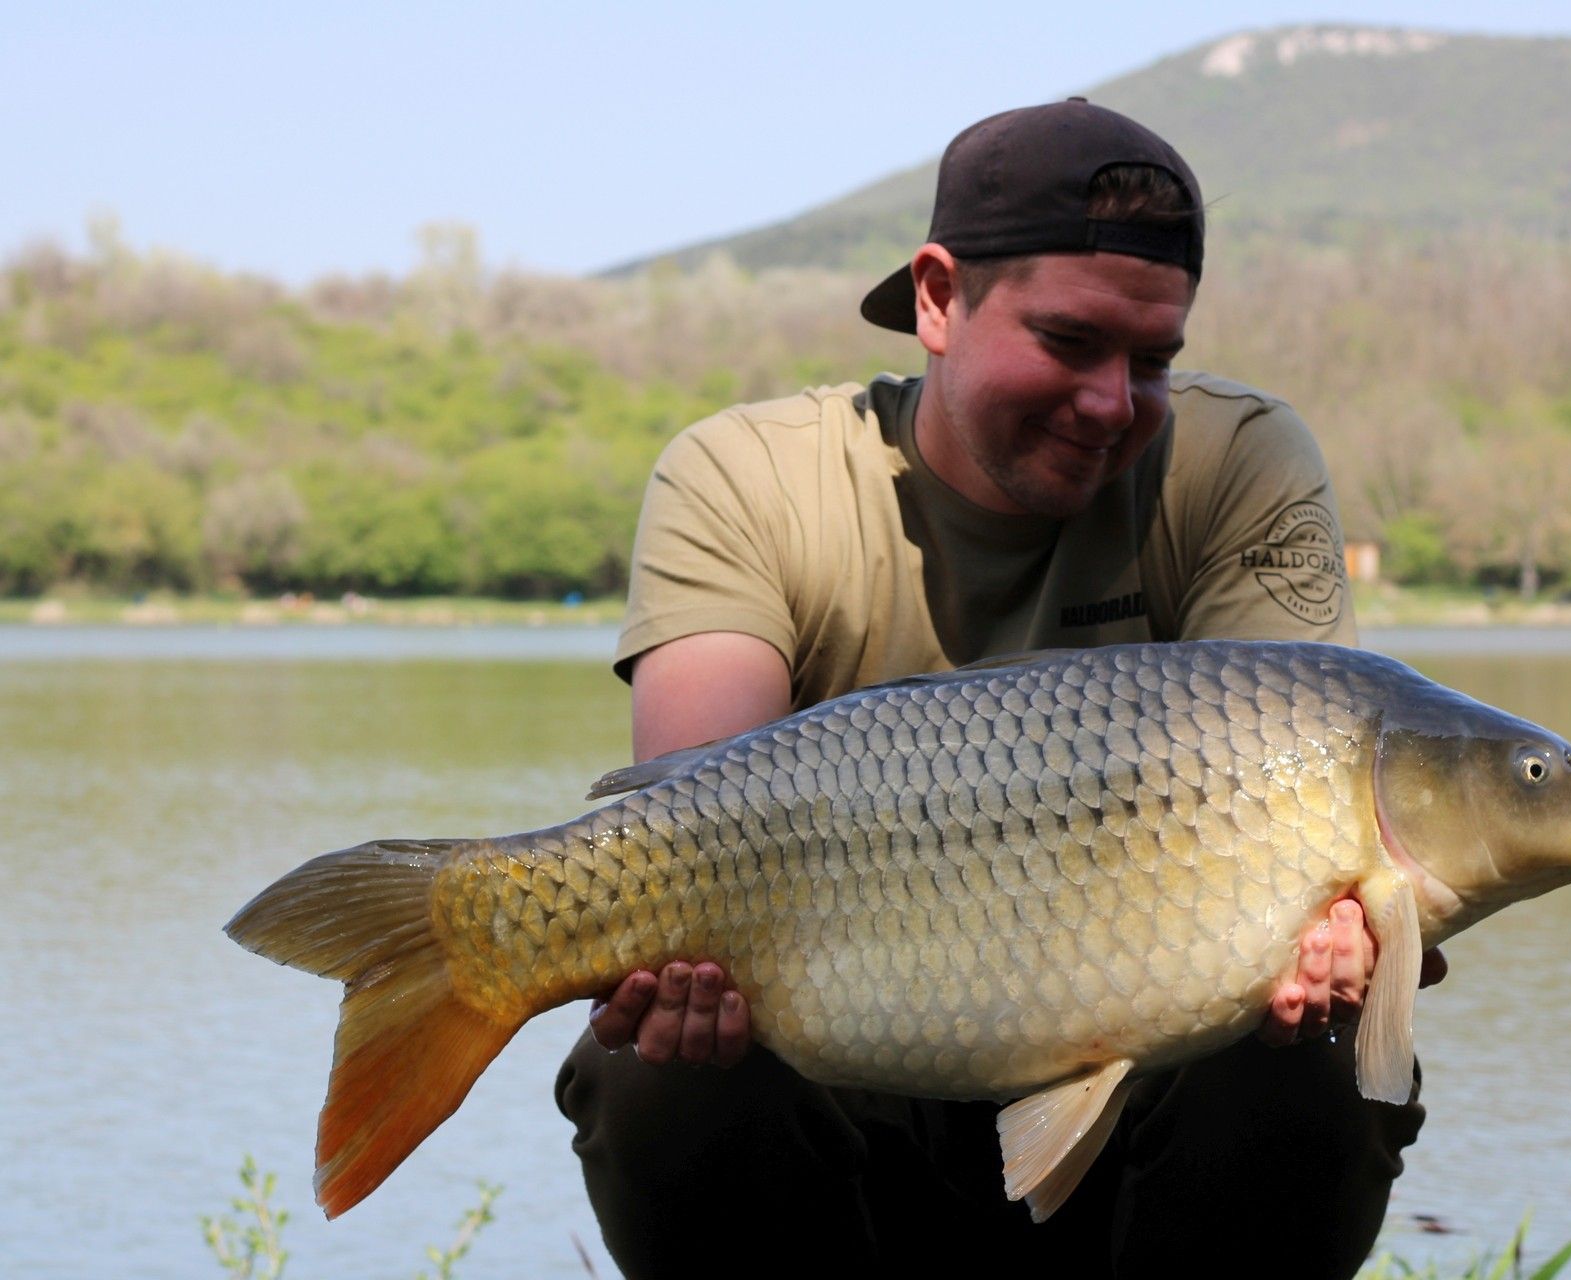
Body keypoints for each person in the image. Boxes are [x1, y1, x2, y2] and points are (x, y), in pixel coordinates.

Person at [555, 98, 1439, 1279]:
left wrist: (1352, 934)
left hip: (1139, 1087)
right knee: (655, 1065)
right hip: (841, 1074)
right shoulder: (746, 476)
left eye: (1155, 358)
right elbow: (691, 823)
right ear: (937, 297)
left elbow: (1313, 800)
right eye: (1070, 343)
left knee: (1311, 1054)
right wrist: (655, 958)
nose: (1113, 401)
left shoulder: (1238, 462)